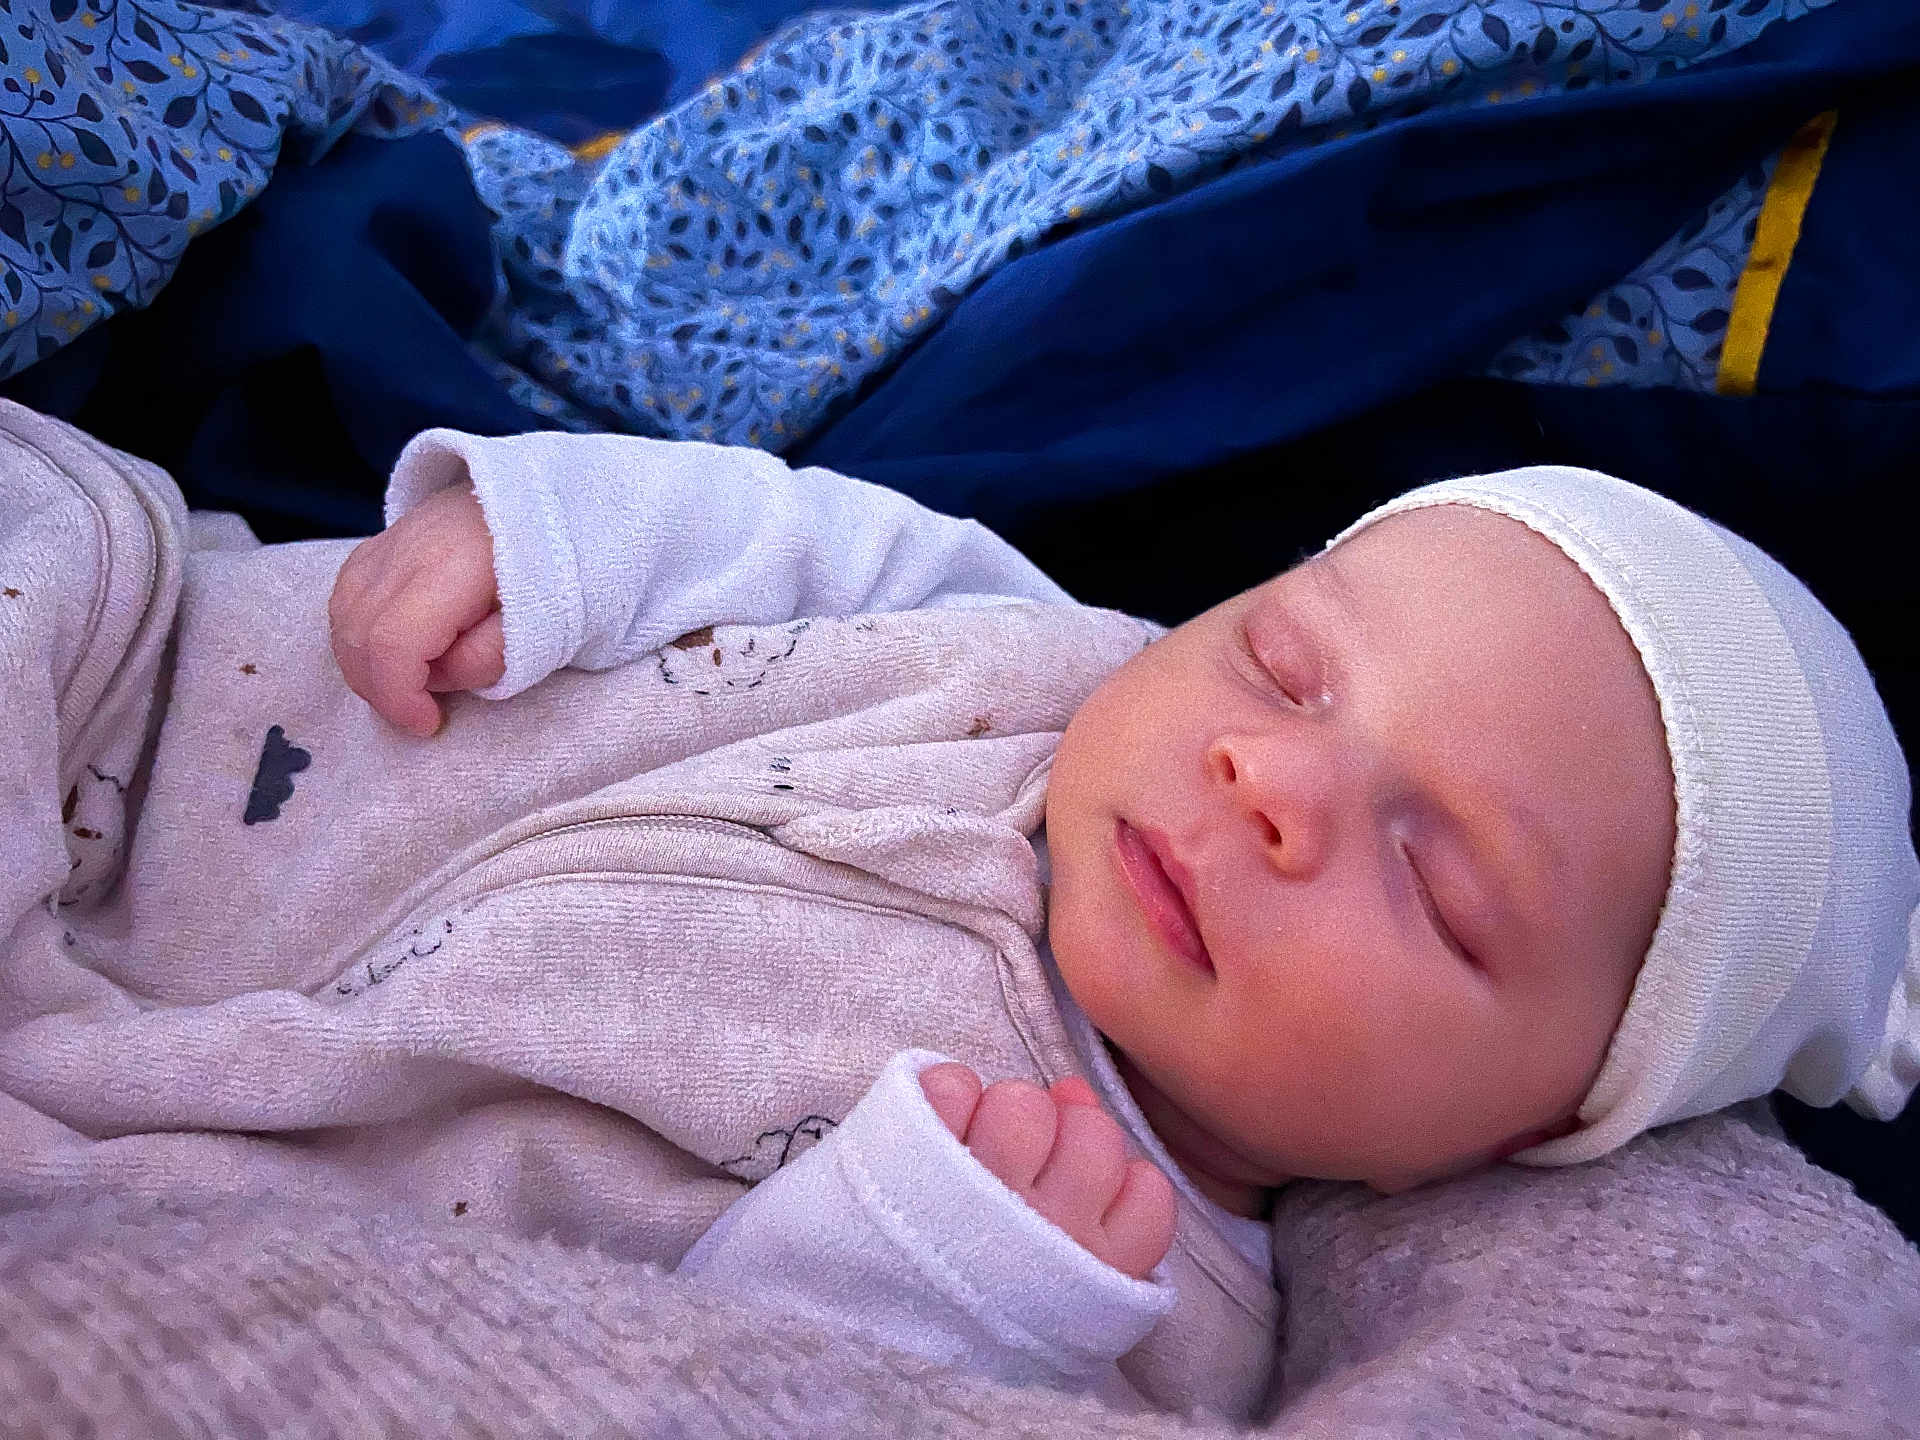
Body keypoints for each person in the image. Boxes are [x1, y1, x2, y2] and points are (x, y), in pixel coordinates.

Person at [3, 403, 1915, 1419]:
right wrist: (553, 539)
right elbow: (819, 534)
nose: (1269, 779)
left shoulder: (1129, 1293)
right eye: (1280, 663)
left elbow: (675, 1384)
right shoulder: (1044, 659)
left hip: (202, 1177)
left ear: (1541, 1124)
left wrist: (890, 1282)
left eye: (1428, 874)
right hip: (167, 733)